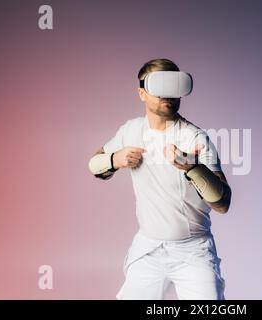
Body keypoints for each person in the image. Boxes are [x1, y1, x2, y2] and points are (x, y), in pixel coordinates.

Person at [88, 58, 232, 300]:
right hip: (149, 250)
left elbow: (222, 203)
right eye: (160, 86)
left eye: (173, 86)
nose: (168, 94)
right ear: (142, 93)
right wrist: (115, 159)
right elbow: (94, 165)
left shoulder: (194, 138)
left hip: (193, 252)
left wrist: (193, 167)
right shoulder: (130, 130)